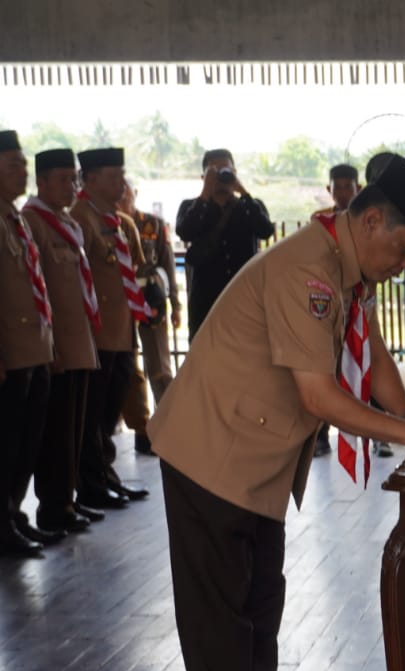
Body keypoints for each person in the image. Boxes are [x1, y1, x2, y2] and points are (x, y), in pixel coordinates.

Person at [147, 154, 405, 671]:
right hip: (213, 449)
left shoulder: (343, 268)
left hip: (254, 455)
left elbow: (375, 360)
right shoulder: (310, 270)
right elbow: (320, 397)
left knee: (260, 596)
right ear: (371, 222)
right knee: (220, 606)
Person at [22, 148, 101, 536]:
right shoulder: (33, 222)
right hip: (57, 346)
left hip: (79, 340)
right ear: (42, 182)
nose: (71, 187)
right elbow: (36, 288)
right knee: (55, 432)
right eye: (63, 179)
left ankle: (67, 498)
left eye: (74, 179)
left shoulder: (67, 222)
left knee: (74, 429)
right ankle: (54, 505)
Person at [69, 146, 150, 510]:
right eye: (114, 176)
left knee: (109, 413)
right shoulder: (80, 219)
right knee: (92, 417)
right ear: (91, 179)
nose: (122, 183)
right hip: (97, 335)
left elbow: (132, 273)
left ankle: (106, 476)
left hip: (122, 333)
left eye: (122, 175)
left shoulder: (118, 221)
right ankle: (91, 483)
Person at [0, 131, 57, 557]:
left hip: (34, 349)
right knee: (7, 443)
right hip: (11, 353)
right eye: (13, 164)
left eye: (23, 164)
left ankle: (13, 512)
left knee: (27, 442)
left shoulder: (14, 218)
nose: (22, 171)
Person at [176, 149, 274, 339]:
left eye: (226, 170)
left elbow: (265, 230)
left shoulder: (249, 206)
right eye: (215, 171)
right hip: (206, 300)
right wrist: (205, 193)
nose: (222, 176)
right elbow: (185, 231)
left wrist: (243, 191)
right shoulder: (191, 206)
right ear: (204, 177)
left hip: (245, 297)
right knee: (205, 350)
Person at [119, 179, 179, 455]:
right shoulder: (109, 225)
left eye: (126, 191)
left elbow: (167, 263)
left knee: (160, 366)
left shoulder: (152, 224)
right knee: (130, 368)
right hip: (120, 304)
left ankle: (169, 426)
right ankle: (142, 429)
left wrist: (175, 303)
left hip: (150, 300)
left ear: (135, 193)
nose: (122, 196)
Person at [312, 163, 362, 457]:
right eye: (338, 187)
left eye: (348, 187)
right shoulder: (320, 221)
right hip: (329, 302)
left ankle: (375, 432)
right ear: (329, 190)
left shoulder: (366, 221)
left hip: (357, 299)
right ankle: (319, 434)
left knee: (362, 359)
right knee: (325, 366)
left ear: (358, 188)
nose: (343, 193)